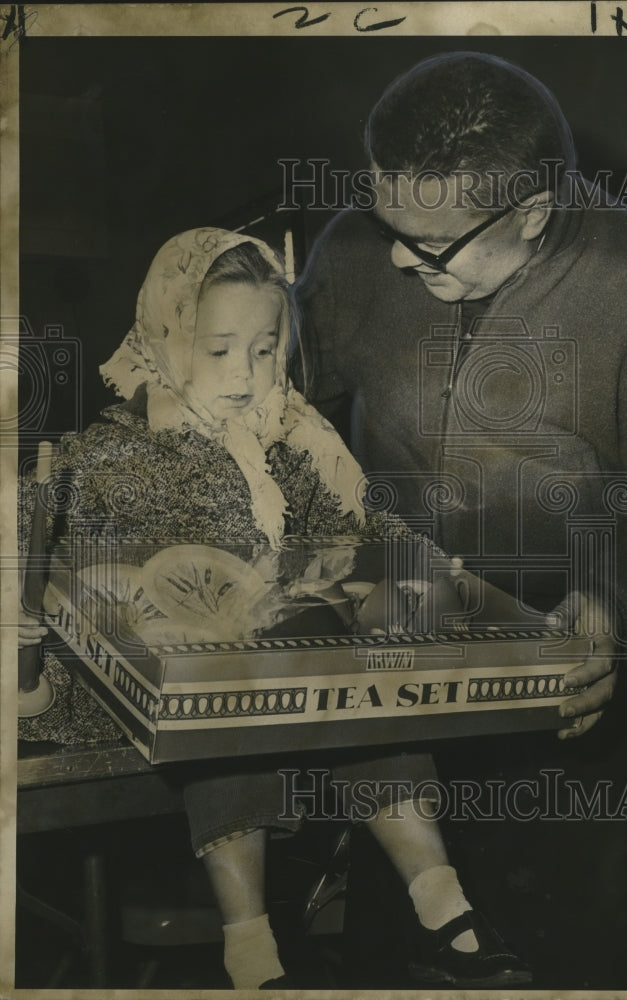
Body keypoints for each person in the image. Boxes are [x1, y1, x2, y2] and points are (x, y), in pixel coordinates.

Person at [294, 53, 627, 983]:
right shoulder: (359, 243)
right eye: (386, 221)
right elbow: (281, 405)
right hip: (404, 684)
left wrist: (616, 608)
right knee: (406, 962)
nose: (391, 256)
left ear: (532, 214)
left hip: (571, 687)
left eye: (428, 245)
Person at [18, 227, 533, 989]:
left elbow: (369, 532)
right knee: (232, 710)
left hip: (304, 668)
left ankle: (440, 901)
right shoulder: (106, 454)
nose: (244, 374)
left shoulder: (298, 439)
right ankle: (251, 944)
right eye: (218, 349)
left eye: (265, 350)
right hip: (171, 691)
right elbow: (63, 576)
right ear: (164, 334)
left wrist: (425, 574)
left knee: (369, 685)